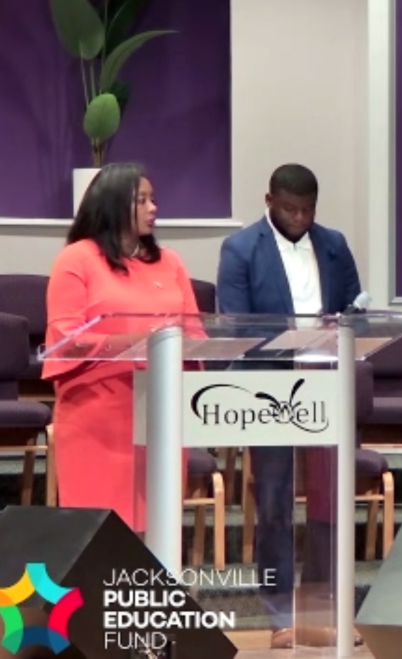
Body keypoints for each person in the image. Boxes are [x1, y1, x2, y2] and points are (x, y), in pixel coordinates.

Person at [216, 164, 362, 650]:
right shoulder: (240, 249)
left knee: (330, 501)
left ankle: (324, 610)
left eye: (308, 210)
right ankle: (279, 612)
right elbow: (236, 328)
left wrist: (339, 324)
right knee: (275, 502)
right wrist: (296, 336)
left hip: (326, 384)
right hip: (268, 390)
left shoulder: (335, 244)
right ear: (269, 200)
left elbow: (354, 312)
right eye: (290, 208)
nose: (300, 218)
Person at [43, 162, 197, 532]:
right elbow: (66, 341)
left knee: (156, 531)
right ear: (112, 204)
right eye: (141, 200)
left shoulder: (170, 262)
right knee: (100, 536)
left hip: (161, 412)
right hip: (98, 419)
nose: (153, 208)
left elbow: (194, 329)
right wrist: (142, 340)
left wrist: (180, 345)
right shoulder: (76, 259)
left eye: (153, 199)